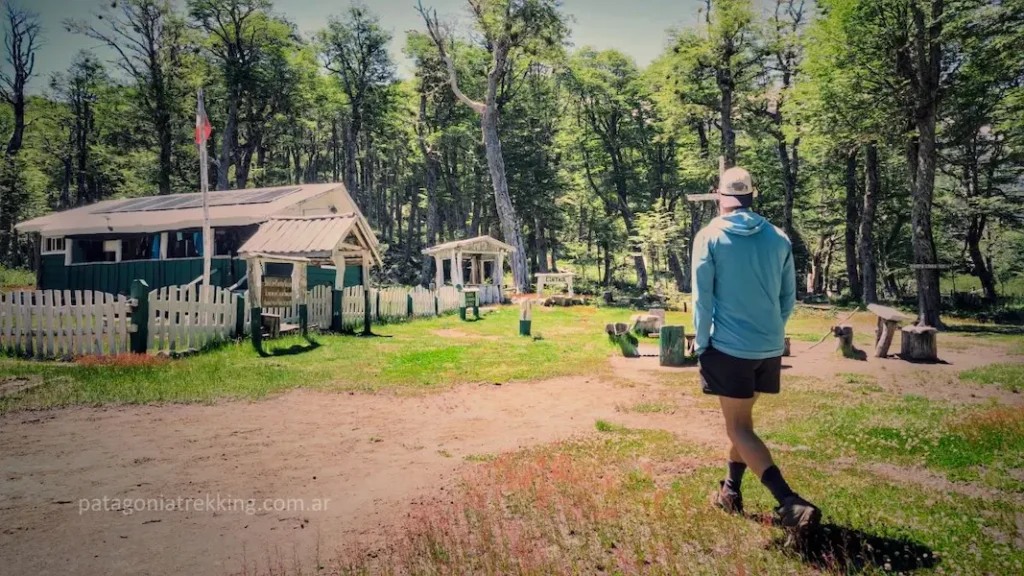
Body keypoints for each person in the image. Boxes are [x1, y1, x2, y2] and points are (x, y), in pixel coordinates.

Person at [691, 166, 821, 530]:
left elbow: (702, 298)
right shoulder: (778, 237)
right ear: (753, 195)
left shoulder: (710, 236)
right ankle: (730, 492)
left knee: (738, 429)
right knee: (743, 424)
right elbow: (787, 297)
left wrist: (702, 343)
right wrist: (772, 333)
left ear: (721, 197)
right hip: (768, 347)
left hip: (729, 347)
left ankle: (790, 502)